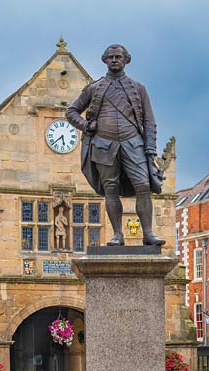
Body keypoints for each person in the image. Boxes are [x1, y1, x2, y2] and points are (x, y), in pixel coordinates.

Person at [66, 44, 165, 247]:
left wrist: (151, 150)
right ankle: (118, 234)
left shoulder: (138, 88)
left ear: (126, 59)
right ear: (104, 60)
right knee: (110, 189)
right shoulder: (94, 88)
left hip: (133, 143)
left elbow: (149, 121)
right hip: (104, 145)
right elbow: (71, 111)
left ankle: (148, 233)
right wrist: (85, 125)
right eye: (110, 57)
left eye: (118, 57)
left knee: (143, 186)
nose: (114, 60)